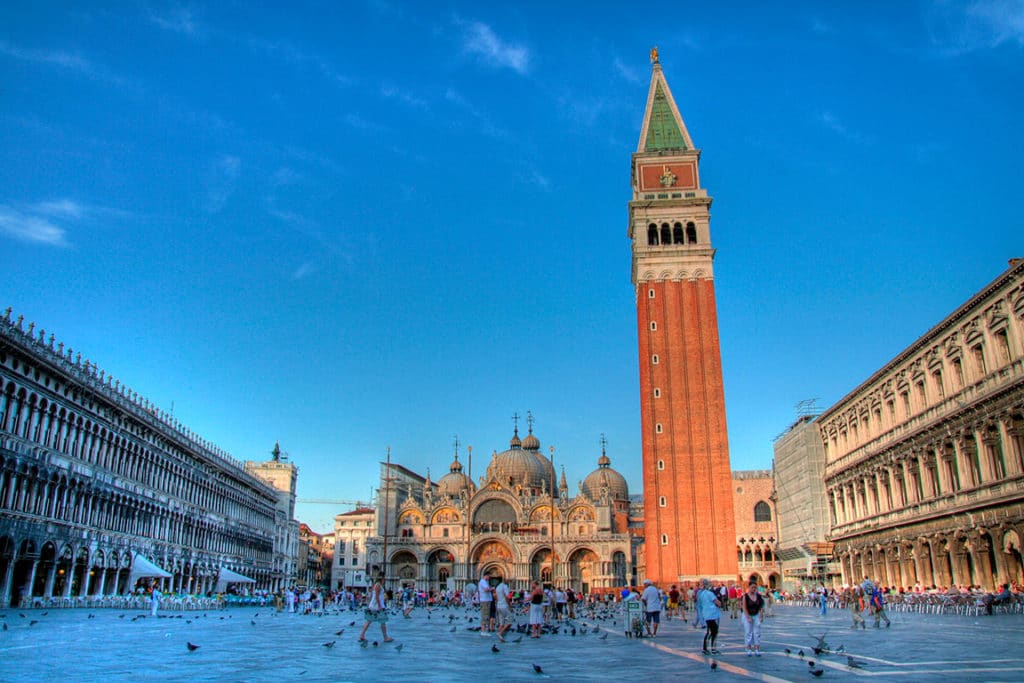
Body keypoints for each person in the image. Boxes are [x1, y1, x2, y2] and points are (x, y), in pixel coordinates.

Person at [358, 576, 394, 643]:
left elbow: (373, 595)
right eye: (384, 578)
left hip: (374, 606)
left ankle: (362, 635)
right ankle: (385, 637)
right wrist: (380, 605)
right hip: (377, 606)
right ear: (381, 578)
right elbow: (376, 596)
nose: (385, 579)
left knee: (369, 621)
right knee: (382, 621)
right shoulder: (378, 585)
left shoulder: (377, 585)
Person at [696, 578, 722, 655]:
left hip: (706, 615)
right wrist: (720, 603)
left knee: (709, 632)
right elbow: (717, 602)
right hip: (713, 614)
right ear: (706, 585)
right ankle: (714, 649)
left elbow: (699, 605)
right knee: (715, 632)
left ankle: (705, 648)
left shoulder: (700, 594)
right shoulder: (710, 593)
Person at [740, 581, 764, 656]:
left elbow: (761, 607)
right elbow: (744, 607)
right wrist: (748, 617)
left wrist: (761, 616)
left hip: (756, 614)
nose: (754, 589)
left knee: (757, 632)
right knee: (748, 632)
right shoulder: (745, 596)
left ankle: (757, 649)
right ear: (749, 588)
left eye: (755, 588)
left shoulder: (759, 596)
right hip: (747, 614)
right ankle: (748, 649)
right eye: (752, 587)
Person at [494, 576, 512, 642]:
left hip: (499, 606)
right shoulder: (505, 586)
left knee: (501, 623)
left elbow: (496, 597)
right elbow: (507, 597)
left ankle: (501, 639)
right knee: (510, 621)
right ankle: (500, 633)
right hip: (504, 606)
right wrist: (510, 606)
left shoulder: (497, 587)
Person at [478, 570, 494, 635]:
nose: (490, 577)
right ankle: (483, 631)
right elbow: (486, 590)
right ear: (486, 575)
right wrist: (492, 588)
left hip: (486, 600)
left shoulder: (485, 582)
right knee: (485, 615)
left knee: (486, 615)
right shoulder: (483, 581)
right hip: (485, 601)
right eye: (489, 576)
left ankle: (484, 630)